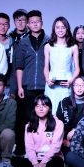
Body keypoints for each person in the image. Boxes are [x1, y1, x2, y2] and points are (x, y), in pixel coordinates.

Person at [14, 10, 47, 155]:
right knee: (26, 119)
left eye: (37, 21)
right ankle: (24, 148)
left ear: (42, 23)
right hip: (27, 86)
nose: (35, 24)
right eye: (32, 22)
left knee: (44, 118)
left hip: (45, 86)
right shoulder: (23, 42)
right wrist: (19, 86)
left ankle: (42, 148)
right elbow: (19, 66)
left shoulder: (49, 41)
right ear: (28, 24)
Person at [11, 95, 65, 167]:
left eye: (44, 105)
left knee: (59, 163)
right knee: (14, 161)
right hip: (35, 159)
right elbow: (29, 147)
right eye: (37, 106)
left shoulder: (58, 124)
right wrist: (35, 163)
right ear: (34, 108)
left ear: (50, 108)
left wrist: (44, 162)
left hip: (52, 159)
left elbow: (56, 146)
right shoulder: (29, 125)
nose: (40, 109)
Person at [43, 16, 79, 114]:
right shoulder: (48, 46)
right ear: (54, 29)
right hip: (52, 79)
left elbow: (77, 69)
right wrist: (47, 79)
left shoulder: (73, 46)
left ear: (67, 29)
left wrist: (71, 81)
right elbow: (46, 67)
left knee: (66, 109)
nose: (60, 30)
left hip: (67, 79)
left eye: (63, 27)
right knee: (51, 108)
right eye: (57, 27)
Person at [56, 75, 84, 155]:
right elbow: (58, 125)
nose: (79, 88)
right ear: (73, 87)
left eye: (82, 85)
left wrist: (76, 129)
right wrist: (64, 141)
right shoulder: (64, 103)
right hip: (66, 141)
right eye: (76, 85)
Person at [7, 9, 28, 99]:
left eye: (22, 20)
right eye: (17, 20)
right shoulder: (9, 37)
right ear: (14, 22)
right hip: (11, 77)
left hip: (26, 77)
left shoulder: (31, 38)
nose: (20, 22)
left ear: (27, 21)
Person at [0, 12, 13, 95]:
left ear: (9, 26)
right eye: (0, 24)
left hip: (8, 83)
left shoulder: (13, 43)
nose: (3, 27)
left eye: (5, 24)